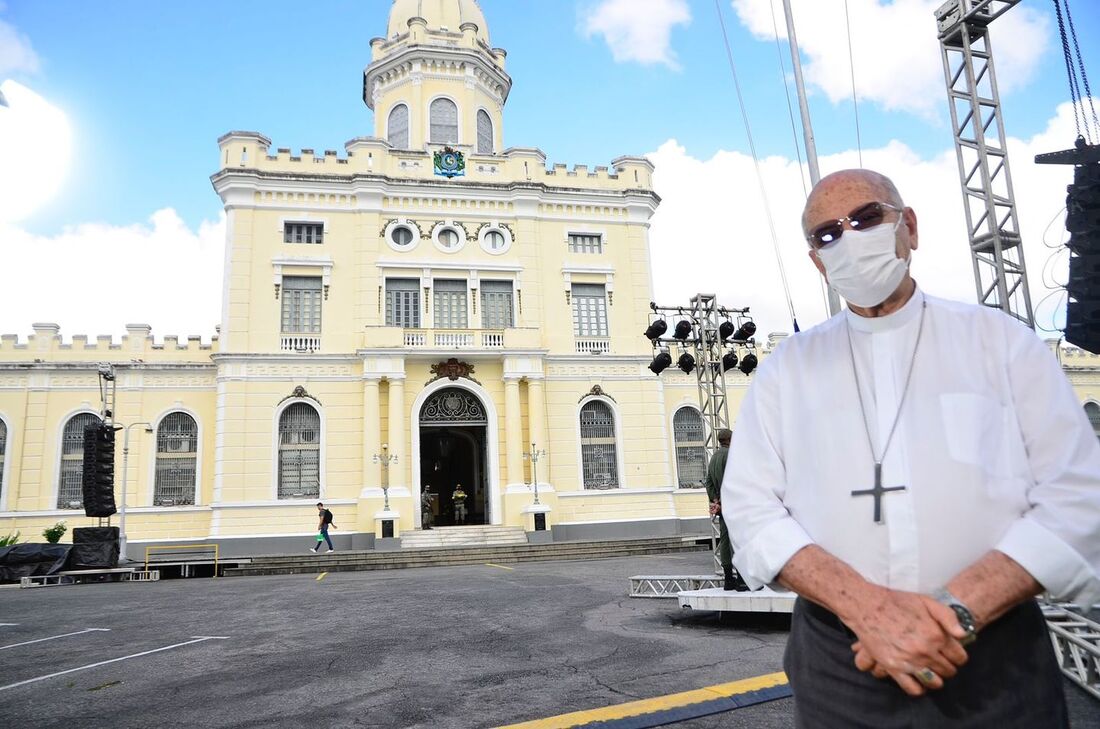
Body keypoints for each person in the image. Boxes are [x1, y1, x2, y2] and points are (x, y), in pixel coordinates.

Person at [722, 168, 1100, 727]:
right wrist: (867, 610)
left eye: (867, 217)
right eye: (827, 234)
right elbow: (752, 511)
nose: (848, 238)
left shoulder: (1001, 343)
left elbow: (1077, 494)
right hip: (843, 658)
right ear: (817, 261)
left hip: (994, 654)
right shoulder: (786, 370)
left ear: (910, 227)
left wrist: (950, 614)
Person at [703, 428, 747, 591]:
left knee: (725, 540)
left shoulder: (714, 457)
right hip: (735, 504)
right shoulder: (731, 456)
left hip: (723, 506)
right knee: (738, 539)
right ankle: (742, 580)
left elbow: (708, 482)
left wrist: (716, 500)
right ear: (730, 439)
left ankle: (729, 579)